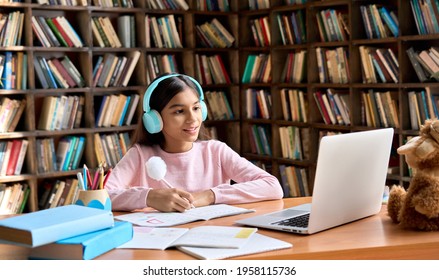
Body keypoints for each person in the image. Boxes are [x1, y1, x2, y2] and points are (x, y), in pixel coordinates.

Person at [105, 73, 283, 212]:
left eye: (196, 108)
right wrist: (149, 197)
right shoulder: (140, 155)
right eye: (179, 111)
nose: (193, 119)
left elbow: (272, 186)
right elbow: (102, 198)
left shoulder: (216, 151)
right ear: (155, 119)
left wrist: (210, 195)